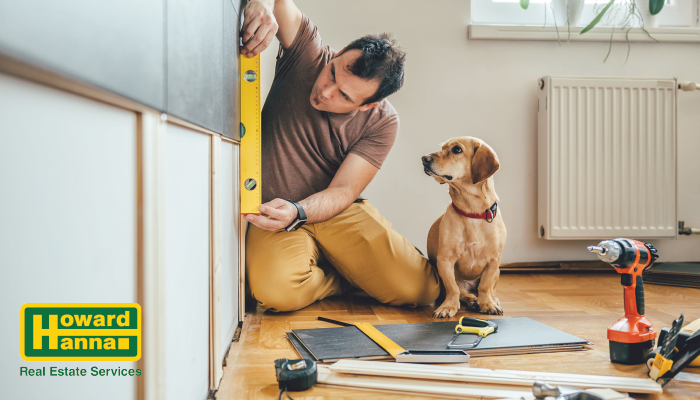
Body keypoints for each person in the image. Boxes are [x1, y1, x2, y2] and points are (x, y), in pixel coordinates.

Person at [241, 0, 440, 312]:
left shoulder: (383, 122)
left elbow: (345, 190)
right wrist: (262, 3)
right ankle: (345, 277)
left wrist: (300, 210)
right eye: (332, 73)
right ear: (338, 52)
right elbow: (279, 3)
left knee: (422, 289)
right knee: (276, 293)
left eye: (345, 95)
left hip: (334, 210)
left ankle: (346, 269)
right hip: (273, 212)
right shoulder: (307, 53)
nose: (326, 91)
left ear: (368, 105)